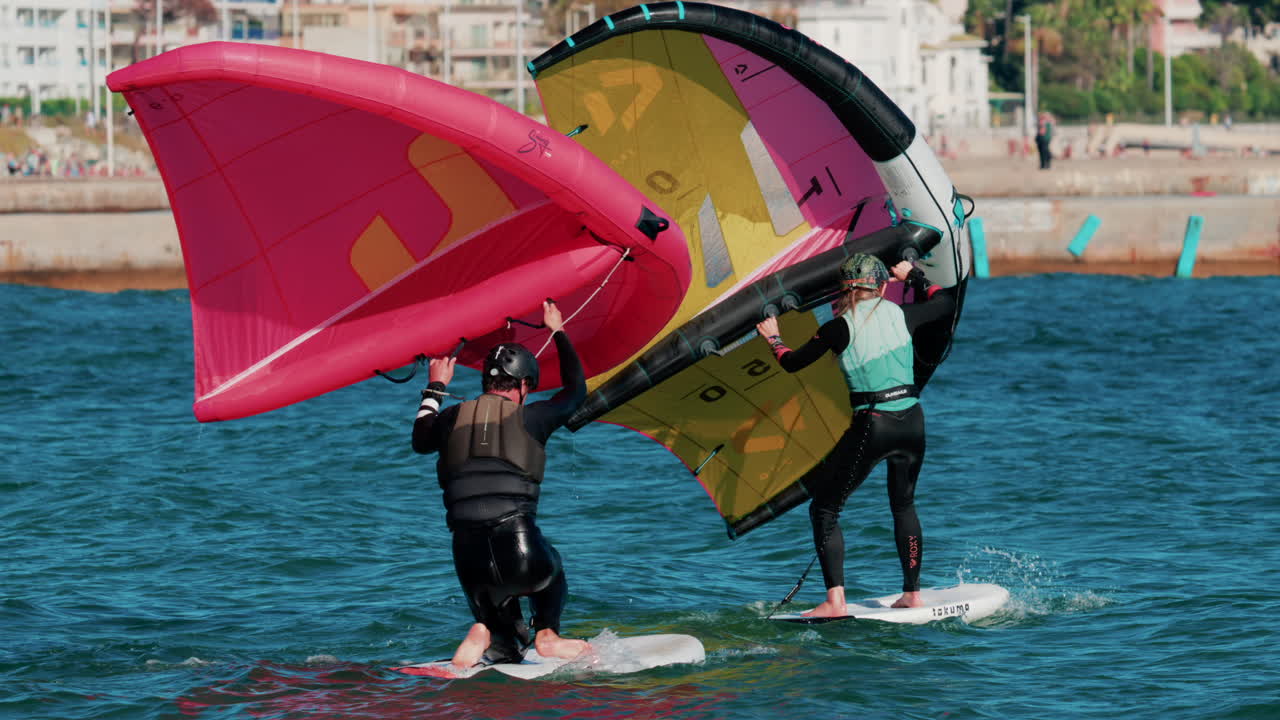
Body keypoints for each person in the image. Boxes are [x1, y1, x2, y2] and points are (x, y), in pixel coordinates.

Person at [754, 253, 956, 616]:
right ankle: (912, 593)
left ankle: (836, 602)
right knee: (904, 504)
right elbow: (944, 302)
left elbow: (793, 363)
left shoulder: (839, 326)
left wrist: (774, 339)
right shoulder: (902, 314)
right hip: (912, 419)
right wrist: (915, 276)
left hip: (873, 424)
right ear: (881, 286)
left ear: (844, 291)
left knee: (825, 508)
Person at [412, 300, 591, 669]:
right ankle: (548, 635)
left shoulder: (449, 419)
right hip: (522, 550)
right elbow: (576, 391)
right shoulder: (534, 417)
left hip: (468, 558)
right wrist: (557, 330)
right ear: (525, 385)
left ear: (486, 382)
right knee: (551, 568)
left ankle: (484, 633)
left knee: (505, 650)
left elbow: (419, 439)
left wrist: (436, 385)